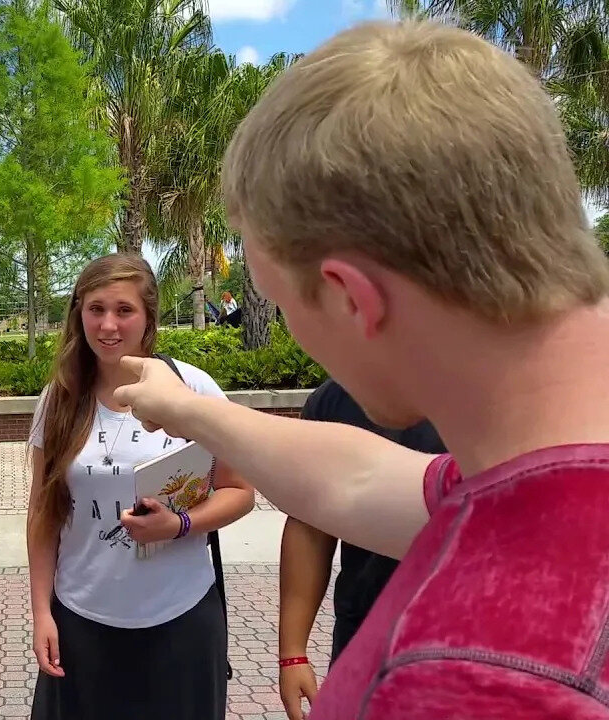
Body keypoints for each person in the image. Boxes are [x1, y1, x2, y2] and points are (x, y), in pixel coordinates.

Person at [112, 19, 609, 719]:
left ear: (351, 298)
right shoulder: (538, 469)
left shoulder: (472, 678)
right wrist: (189, 408)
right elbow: (363, 478)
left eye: (283, 303)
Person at [27, 254, 254, 720]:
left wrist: (181, 523)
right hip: (82, 621)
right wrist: (41, 612)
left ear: (149, 317)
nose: (108, 325)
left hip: (181, 621)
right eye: (96, 309)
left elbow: (240, 491)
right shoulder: (60, 399)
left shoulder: (193, 388)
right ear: (78, 313)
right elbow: (42, 514)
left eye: (124, 310)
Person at [277, 379, 446, 720]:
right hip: (364, 633)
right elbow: (310, 525)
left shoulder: (493, 384)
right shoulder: (334, 400)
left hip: (474, 644)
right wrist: (293, 654)